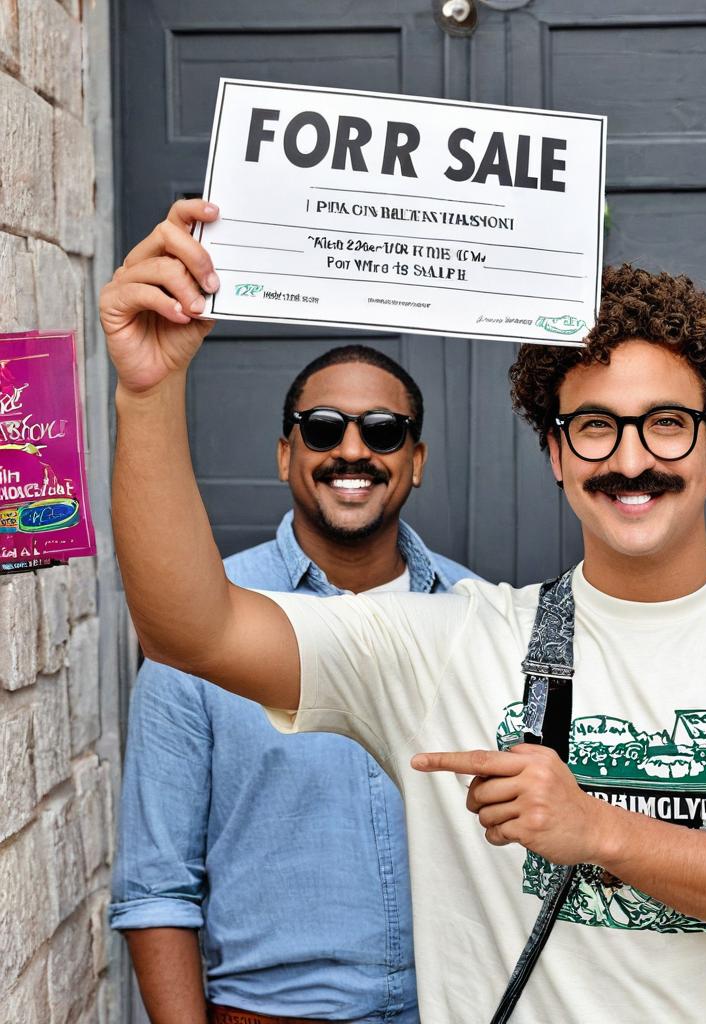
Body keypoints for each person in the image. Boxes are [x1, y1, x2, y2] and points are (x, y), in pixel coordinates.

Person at [103, 198, 706, 1024]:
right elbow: (190, 630)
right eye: (595, 427)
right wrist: (148, 394)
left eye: (666, 425)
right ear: (556, 452)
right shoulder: (452, 639)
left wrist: (599, 831)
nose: (630, 461)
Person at [108, 341, 478, 1024]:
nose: (352, 450)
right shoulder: (196, 622)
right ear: (286, 454)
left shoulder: (479, 614)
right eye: (323, 428)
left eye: (384, 431)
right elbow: (155, 886)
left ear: (415, 461)